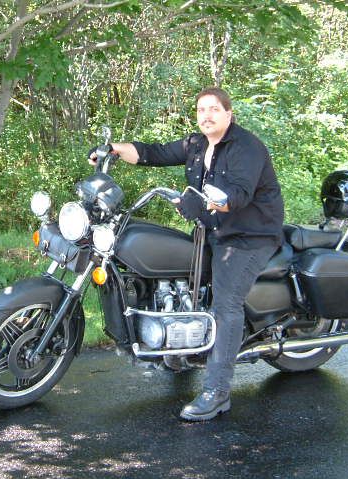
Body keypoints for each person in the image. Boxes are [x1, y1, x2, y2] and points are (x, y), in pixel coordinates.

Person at [89, 87, 285, 421]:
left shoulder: (247, 147)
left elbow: (237, 194)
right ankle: (180, 350)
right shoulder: (196, 145)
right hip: (213, 231)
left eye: (213, 109)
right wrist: (114, 150)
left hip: (248, 236)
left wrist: (205, 202)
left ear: (228, 113)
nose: (206, 115)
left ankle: (217, 392)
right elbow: (153, 153)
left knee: (226, 304)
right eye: (201, 110)